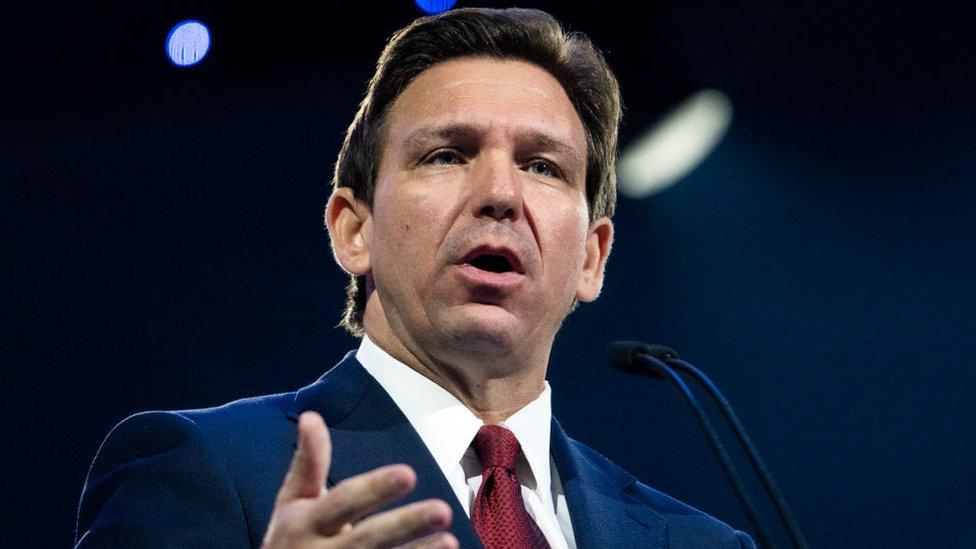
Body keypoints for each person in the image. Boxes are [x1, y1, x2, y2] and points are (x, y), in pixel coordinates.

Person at [75, 7, 755, 548]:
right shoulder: (201, 469)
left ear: (591, 257)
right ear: (353, 228)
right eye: (446, 155)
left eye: (543, 166)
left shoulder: (697, 540)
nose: (500, 192)